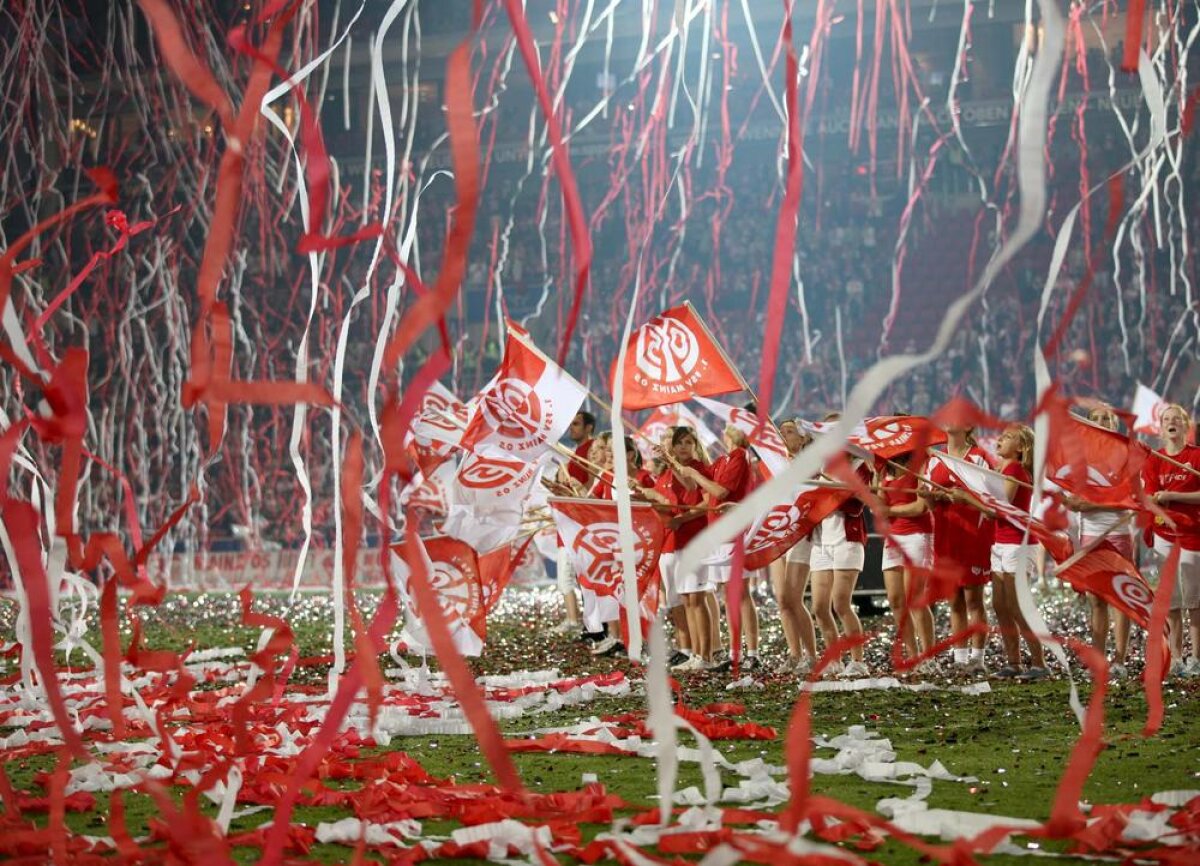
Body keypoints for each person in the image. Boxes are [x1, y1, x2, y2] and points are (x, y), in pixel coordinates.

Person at [1061, 406, 1134, 678]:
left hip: (1117, 532)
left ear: (1116, 424)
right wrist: (1069, 501)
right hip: (1089, 534)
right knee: (1096, 600)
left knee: (1120, 598)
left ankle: (1120, 659)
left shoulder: (1125, 454)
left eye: (1108, 418)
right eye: (1097, 418)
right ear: (1088, 425)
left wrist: (1090, 504)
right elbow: (1074, 494)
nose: (1103, 422)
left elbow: (1128, 496)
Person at [680, 426, 760, 672]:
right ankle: (735, 652)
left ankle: (752, 653)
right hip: (720, 534)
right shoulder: (725, 459)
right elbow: (702, 475)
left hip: (734, 532)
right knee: (729, 595)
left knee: (741, 594)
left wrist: (695, 474)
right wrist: (674, 460)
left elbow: (720, 491)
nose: (724, 430)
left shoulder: (739, 457)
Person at [648, 427, 717, 672]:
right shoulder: (669, 472)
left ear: (696, 445)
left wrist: (683, 518)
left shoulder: (699, 469)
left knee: (696, 599)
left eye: (688, 442)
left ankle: (705, 656)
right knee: (687, 600)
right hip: (676, 542)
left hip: (695, 540)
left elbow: (702, 497)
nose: (683, 447)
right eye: (679, 443)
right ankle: (696, 654)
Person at [925, 423, 992, 675]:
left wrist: (965, 498)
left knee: (974, 600)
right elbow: (929, 504)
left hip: (973, 535)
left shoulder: (979, 458)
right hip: (945, 537)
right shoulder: (935, 459)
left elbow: (991, 498)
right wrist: (930, 497)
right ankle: (960, 659)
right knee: (954, 601)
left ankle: (978, 658)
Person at [809, 417, 871, 679]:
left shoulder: (860, 464)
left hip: (847, 539)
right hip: (822, 541)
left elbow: (855, 503)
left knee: (841, 604)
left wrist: (826, 487)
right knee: (819, 607)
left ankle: (858, 661)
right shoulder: (822, 464)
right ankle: (833, 659)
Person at [1142, 404, 1200, 677]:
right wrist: (1154, 499)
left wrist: (1173, 496)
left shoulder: (1196, 456)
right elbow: (1151, 496)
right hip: (1164, 535)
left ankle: (1196, 658)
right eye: (1167, 419)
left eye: (1177, 418)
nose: (1172, 422)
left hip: (1192, 534)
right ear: (1162, 427)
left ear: (1186, 425)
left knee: (1194, 601)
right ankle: (1177, 658)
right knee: (1172, 602)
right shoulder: (1154, 459)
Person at [990, 424, 1048, 680]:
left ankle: (1039, 663)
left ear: (1022, 447)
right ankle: (1013, 663)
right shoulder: (1001, 469)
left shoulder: (1014, 468)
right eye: (1002, 434)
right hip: (1001, 542)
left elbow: (1000, 507)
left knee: (1016, 605)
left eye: (1009, 437)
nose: (1001, 438)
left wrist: (966, 498)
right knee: (1000, 605)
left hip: (1018, 543)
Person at [879, 451, 937, 675]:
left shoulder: (920, 466)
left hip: (916, 535)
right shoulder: (884, 470)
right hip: (893, 537)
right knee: (896, 600)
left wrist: (890, 510)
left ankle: (928, 657)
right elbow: (879, 506)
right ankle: (912, 656)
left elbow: (920, 507)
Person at [770, 419, 819, 675]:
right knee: (782, 599)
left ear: (803, 439)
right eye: (781, 431)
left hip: (799, 534)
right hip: (777, 534)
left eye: (789, 431)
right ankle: (794, 654)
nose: (783, 435)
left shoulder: (811, 463)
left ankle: (811, 655)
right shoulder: (773, 463)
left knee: (793, 597)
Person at [551, 410, 597, 635]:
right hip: (570, 521)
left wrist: (574, 490)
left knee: (575, 577)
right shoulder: (576, 453)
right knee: (576, 578)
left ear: (589, 427)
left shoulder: (589, 451)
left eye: (576, 424)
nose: (571, 428)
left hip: (580, 524)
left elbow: (590, 485)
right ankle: (589, 623)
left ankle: (582, 622)